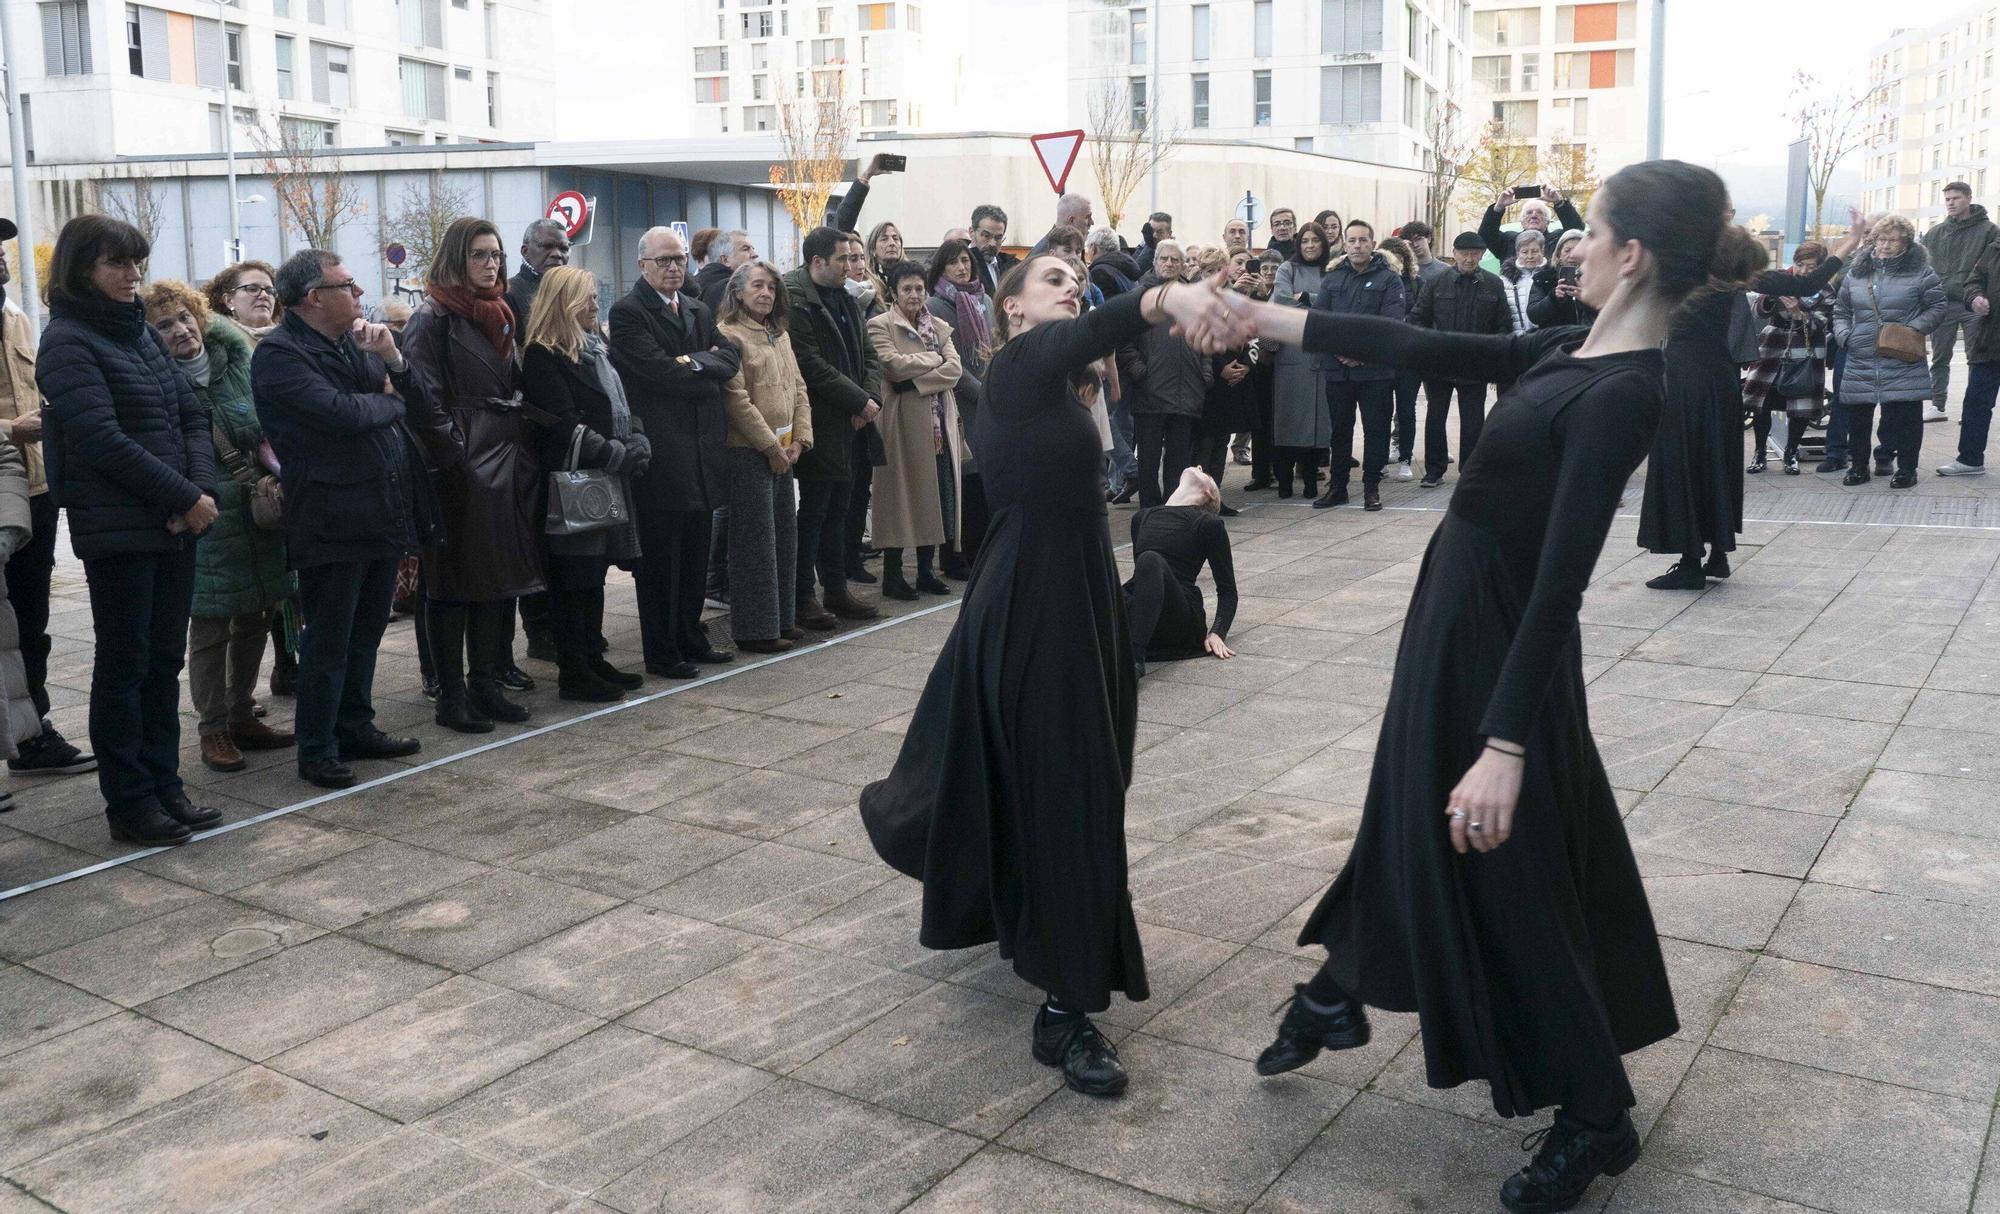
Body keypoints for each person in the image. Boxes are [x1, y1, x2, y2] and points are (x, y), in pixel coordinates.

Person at [1234, 159, 1763, 1214]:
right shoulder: (1571, 346)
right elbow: (1419, 345)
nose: (1574, 248)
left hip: (1497, 640)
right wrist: (1260, 315)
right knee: (1409, 811)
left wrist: (1506, 741)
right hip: (1453, 617)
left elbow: (1562, 578)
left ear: (1631, 256)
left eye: (1588, 232)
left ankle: (1595, 1116)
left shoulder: (1625, 390)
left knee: (1510, 874)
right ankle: (1341, 988)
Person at [859, 252, 1245, 1099]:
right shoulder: (1019, 364)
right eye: (1054, 280)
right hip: (1037, 598)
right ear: (1013, 308)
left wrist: (1175, 506)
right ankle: (1066, 1009)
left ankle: (1024, 912)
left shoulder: (1057, 386)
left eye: (1078, 278)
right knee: (1073, 789)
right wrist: (1162, 297)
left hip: (1069, 589)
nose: (1072, 287)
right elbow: (1101, 325)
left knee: (1072, 776)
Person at [38, 215, 220, 844]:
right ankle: (131, 803)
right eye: (117, 262)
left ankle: (165, 786)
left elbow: (191, 414)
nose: (132, 274)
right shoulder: (67, 341)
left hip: (173, 522)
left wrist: (199, 494)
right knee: (125, 667)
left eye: (136, 261)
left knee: (163, 663)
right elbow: (101, 440)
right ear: (81, 268)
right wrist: (184, 497)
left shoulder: (139, 331)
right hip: (119, 531)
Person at [254, 249, 443, 789]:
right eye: (348, 285)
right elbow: (341, 415)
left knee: (366, 633)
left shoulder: (357, 343)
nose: (359, 294)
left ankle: (355, 726)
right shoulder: (280, 354)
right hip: (330, 517)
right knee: (328, 640)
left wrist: (394, 360)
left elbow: (418, 402)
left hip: (381, 508)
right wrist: (387, 403)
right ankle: (316, 747)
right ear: (314, 297)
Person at [1640, 216, 1860, 588]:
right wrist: (1850, 241)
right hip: (1721, 380)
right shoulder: (1738, 278)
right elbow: (1808, 283)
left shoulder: (1682, 274)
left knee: (1686, 465)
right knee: (1717, 462)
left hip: (1685, 382)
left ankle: (1690, 564)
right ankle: (1718, 555)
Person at [142, 281, 296, 773]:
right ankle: (212, 728)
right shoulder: (152, 377)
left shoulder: (237, 361)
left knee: (257, 613)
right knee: (210, 625)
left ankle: (240, 713)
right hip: (203, 511)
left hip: (255, 507)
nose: (180, 330)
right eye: (164, 325)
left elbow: (265, 424)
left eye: (185, 317)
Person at [403, 218, 546, 729]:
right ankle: (451, 696)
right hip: (460, 464)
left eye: (497, 255)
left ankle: (486, 684)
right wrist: (455, 454)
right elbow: (422, 399)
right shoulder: (432, 317)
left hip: (503, 452)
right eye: (479, 255)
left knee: (496, 578)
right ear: (456, 258)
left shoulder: (498, 311)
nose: (491, 265)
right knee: (453, 584)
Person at [609, 226, 741, 676]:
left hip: (702, 450)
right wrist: (701, 366)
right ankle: (662, 650)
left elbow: (730, 359)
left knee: (694, 555)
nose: (673, 267)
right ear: (642, 265)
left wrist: (693, 362)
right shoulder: (628, 313)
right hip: (664, 453)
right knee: (661, 561)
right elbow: (657, 373)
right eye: (663, 260)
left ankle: (689, 635)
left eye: (679, 258)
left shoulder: (697, 308)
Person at [520, 265, 649, 700]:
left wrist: (636, 438)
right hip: (572, 481)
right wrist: (613, 452)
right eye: (588, 297)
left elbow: (621, 402)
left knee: (594, 576)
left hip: (604, 478)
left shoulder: (595, 348)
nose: (596, 304)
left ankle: (593, 658)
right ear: (565, 303)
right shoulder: (542, 354)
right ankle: (574, 671)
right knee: (572, 579)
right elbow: (560, 421)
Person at [0, 217, 94, 780]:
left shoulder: (14, 317)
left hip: (31, 492)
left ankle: (33, 736)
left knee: (30, 625)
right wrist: (10, 430)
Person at [205, 256, 299, 698]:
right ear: (227, 300)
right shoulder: (219, 347)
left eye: (269, 289)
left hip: (283, 473)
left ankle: (286, 663)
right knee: (238, 597)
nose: (264, 295)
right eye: (252, 288)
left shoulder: (285, 338)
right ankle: (229, 701)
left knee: (283, 581)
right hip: (240, 478)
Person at [784, 227, 882, 628]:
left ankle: (836, 589)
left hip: (851, 421)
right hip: (820, 420)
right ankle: (803, 596)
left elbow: (870, 355)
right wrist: (858, 400)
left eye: (852, 257)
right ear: (817, 261)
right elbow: (810, 364)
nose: (850, 265)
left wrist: (868, 398)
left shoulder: (845, 297)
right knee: (815, 511)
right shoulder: (796, 299)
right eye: (842, 258)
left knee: (841, 508)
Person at [718, 259, 813, 647]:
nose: (766, 293)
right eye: (757, 285)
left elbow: (799, 388)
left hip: (784, 451)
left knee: (784, 540)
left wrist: (800, 439)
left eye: (771, 287)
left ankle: (782, 619)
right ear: (738, 292)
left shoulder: (780, 334)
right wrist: (771, 447)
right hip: (750, 452)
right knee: (755, 545)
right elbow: (735, 399)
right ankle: (756, 630)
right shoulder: (729, 335)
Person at [867, 261, 964, 599]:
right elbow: (893, 367)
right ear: (894, 292)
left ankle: (926, 572)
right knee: (899, 498)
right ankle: (893, 575)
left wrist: (917, 381)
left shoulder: (938, 326)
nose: (913, 295)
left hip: (938, 425)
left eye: (919, 288)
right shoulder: (880, 325)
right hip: (901, 423)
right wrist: (934, 360)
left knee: (934, 497)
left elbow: (955, 370)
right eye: (906, 288)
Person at [1833, 214, 1946, 491]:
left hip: (1902, 353)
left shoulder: (1921, 272)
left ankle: (1907, 469)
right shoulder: (1857, 272)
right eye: (1881, 239)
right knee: (1858, 416)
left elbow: (1937, 307)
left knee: (1906, 416)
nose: (1885, 245)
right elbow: (1841, 310)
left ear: (1906, 242)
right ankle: (1859, 467)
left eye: (1892, 240)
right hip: (1861, 353)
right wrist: (1845, 336)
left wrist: (1912, 329)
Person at [1316, 220, 1407, 512]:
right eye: (1352, 240)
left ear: (1372, 244)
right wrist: (1341, 353)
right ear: (1345, 244)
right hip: (1338, 370)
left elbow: (1390, 324)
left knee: (1376, 431)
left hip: (1375, 372)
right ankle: (1338, 487)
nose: (1357, 245)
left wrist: (1362, 355)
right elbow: (1321, 321)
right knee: (1339, 432)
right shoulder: (1332, 279)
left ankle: (1371, 488)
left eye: (1363, 240)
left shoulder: (1389, 280)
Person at [1407, 232, 1509, 489]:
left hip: (1475, 364)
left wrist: (1492, 356)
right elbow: (1418, 318)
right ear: (1454, 254)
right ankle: (1434, 469)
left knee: (1473, 420)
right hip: (1439, 363)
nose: (1469, 259)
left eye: (1475, 254)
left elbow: (1503, 325)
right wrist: (1429, 348)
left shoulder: (1493, 284)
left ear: (1482, 255)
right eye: (1464, 253)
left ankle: (1470, 470)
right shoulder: (1436, 282)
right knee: (1435, 416)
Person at [1119, 240, 1211, 506]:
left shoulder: (1193, 298)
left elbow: (1206, 339)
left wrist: (1205, 373)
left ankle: (1174, 507)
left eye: (1175, 260)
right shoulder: (1140, 296)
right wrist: (1138, 370)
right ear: (1155, 262)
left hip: (1187, 391)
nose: (1169, 264)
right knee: (1148, 460)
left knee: (1179, 461)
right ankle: (1149, 509)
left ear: (1183, 265)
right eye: (1164, 259)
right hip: (1150, 390)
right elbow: (1124, 341)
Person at [1126, 466, 1236, 676]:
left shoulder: (1208, 524)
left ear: (1209, 494)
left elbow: (1228, 590)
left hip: (1180, 617)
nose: (1200, 467)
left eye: (1205, 473)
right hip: (1144, 612)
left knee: (1150, 560)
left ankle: (1133, 660)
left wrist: (1217, 632)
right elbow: (1142, 582)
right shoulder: (1141, 517)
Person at [928, 238, 993, 573]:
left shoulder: (984, 300)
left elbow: (995, 344)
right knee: (960, 481)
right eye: (953, 262)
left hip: (987, 400)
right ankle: (955, 556)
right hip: (955, 403)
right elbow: (945, 359)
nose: (961, 267)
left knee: (982, 479)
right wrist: (981, 390)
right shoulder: (935, 306)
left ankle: (981, 550)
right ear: (941, 268)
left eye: (965, 260)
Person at [1741, 243, 1833, 475]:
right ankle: (1759, 452)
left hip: (1806, 348)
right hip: (1773, 344)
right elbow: (1758, 310)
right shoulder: (1781, 278)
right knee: (1761, 401)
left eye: (1811, 267)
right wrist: (1772, 300)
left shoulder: (1826, 289)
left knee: (1801, 403)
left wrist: (1798, 314)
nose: (1803, 271)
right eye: (1800, 264)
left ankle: (1791, 452)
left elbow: (1821, 324)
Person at [1920, 181, 1998, 422]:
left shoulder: (1989, 230)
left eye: (1956, 198)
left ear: (1969, 198)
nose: (1951, 203)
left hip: (1975, 302)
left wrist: (1983, 297)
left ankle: (1972, 408)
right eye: (1947, 199)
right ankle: (1937, 405)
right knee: (1939, 357)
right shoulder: (1935, 233)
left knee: (1977, 357)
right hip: (1942, 302)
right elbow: (1922, 266)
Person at [1270, 221, 1334, 499]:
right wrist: (1317, 308)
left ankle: (1310, 481)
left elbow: (1335, 304)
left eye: (1315, 240)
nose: (1310, 245)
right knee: (1288, 420)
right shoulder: (1288, 269)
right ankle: (1284, 482)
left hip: (1322, 355)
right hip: (1292, 354)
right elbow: (1282, 301)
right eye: (1305, 240)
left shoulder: (1331, 270)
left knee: (1316, 425)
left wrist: (1306, 297)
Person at [1943, 231, 2000, 475]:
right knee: (1976, 402)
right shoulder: (1995, 248)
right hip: (1991, 341)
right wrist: (1975, 297)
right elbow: (1973, 281)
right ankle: (1970, 459)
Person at [1378, 235, 1423, 481]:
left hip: (1409, 357)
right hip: (1382, 357)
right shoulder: (1376, 282)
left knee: (1406, 410)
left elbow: (1425, 315)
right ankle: (1380, 458)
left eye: (1398, 259)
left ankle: (1405, 458)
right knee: (1380, 410)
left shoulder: (1417, 283)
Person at [1478, 185, 1585, 263]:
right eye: (1529, 213)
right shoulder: (1509, 241)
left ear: (1548, 221)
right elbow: (1486, 236)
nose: (1534, 215)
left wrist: (1559, 203)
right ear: (1522, 221)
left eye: (1540, 212)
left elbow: (1576, 230)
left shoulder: (1557, 239)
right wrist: (1499, 207)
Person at [505, 218, 572, 338]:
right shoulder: (508, 292)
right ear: (525, 251)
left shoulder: (576, 293)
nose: (557, 254)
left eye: (564, 249)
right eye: (547, 246)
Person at [1528, 229, 1597, 329]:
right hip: (1557, 337)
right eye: (1567, 250)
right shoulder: (1544, 279)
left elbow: (1611, 313)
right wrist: (1553, 298)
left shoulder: (1598, 277)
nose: (1572, 255)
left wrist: (1588, 300)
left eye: (1578, 250)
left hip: (1590, 335)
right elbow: (1534, 316)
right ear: (1558, 255)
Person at [696, 229, 760, 313]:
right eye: (745, 249)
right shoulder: (731, 289)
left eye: (752, 249)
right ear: (725, 260)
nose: (755, 254)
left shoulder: (699, 283)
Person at [1499, 229, 1547, 334]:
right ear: (1517, 253)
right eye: (1525, 252)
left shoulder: (1551, 276)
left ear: (1542, 251)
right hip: (1516, 339)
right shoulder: (1504, 281)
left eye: (1534, 251)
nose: (1530, 256)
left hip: (1546, 338)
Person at [969, 204, 1016, 293]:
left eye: (998, 238)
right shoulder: (960, 266)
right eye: (986, 236)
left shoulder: (1011, 265)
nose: (992, 244)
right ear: (972, 232)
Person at [1399, 220, 1451, 293]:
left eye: (1418, 239)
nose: (1415, 245)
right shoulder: (1402, 271)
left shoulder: (1445, 270)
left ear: (1429, 238)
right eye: (1411, 242)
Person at [1134, 211, 1174, 277]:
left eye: (1160, 232)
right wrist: (1150, 247)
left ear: (1169, 234)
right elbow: (1135, 273)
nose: (1154, 235)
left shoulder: (1176, 255)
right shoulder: (1140, 250)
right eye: (1151, 231)